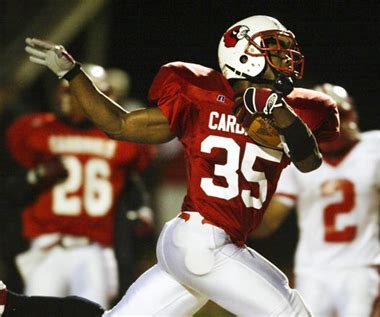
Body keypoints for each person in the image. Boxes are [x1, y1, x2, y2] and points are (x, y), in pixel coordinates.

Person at [3, 15, 340, 316]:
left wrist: (276, 109)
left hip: (200, 243)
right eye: (273, 49)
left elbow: (309, 161)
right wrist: (73, 73)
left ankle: (12, 305)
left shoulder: (298, 109)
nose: (284, 57)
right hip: (202, 240)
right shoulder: (199, 95)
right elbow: (119, 125)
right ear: (243, 55)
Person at [253, 83, 380, 317]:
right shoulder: (293, 161)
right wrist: (237, 227)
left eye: (339, 116)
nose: (335, 125)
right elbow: (269, 221)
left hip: (361, 268)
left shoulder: (379, 149)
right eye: (326, 119)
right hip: (313, 270)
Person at [3, 64, 155, 310]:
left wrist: (140, 209)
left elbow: (131, 184)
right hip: (45, 245)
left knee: (92, 311)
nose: (66, 98)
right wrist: (39, 174)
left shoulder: (123, 139)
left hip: (95, 248)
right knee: (33, 312)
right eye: (64, 91)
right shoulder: (34, 129)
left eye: (73, 91)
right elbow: (10, 188)